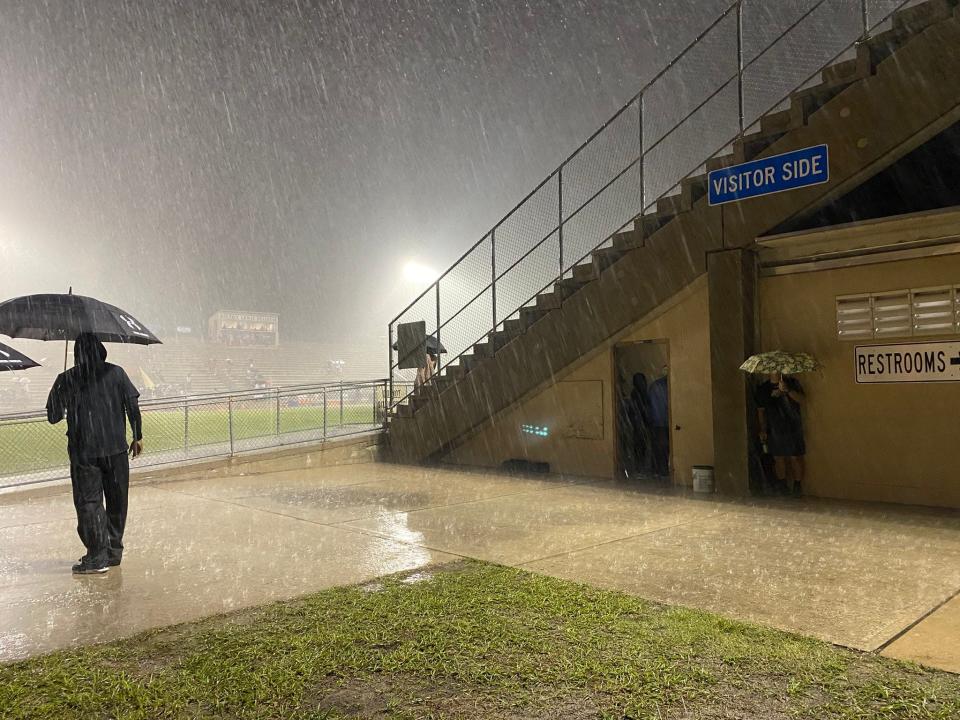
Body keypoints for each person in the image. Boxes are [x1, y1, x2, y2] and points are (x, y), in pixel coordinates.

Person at [46, 334, 144, 574]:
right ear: (101, 350)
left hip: (84, 454)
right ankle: (113, 552)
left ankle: (97, 555)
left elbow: (53, 417)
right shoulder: (116, 373)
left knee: (89, 503)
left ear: (76, 353)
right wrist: (137, 436)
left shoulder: (67, 378)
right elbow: (132, 406)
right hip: (116, 450)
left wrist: (60, 389)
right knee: (117, 501)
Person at [755, 372, 806, 497]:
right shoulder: (763, 389)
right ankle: (783, 485)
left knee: (795, 457)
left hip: (793, 425)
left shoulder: (791, 383)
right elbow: (761, 411)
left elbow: (802, 400)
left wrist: (787, 391)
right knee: (778, 457)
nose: (775, 371)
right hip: (775, 427)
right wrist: (763, 429)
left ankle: (797, 486)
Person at [647, 367, 670, 478]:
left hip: (657, 423)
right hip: (665, 422)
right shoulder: (667, 385)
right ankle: (663, 470)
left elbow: (650, 406)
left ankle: (657, 470)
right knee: (665, 449)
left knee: (658, 449)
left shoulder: (655, 385)